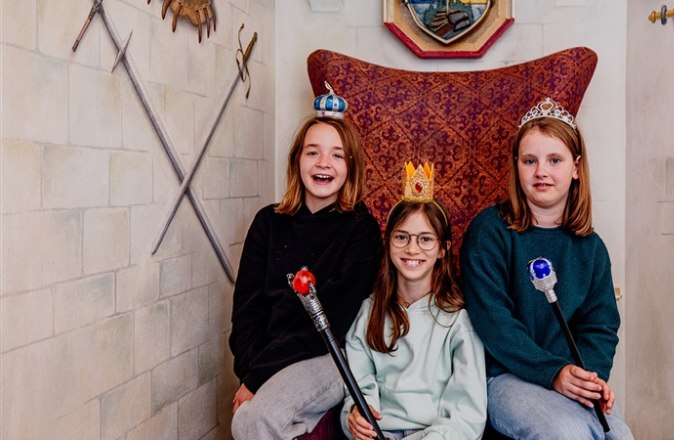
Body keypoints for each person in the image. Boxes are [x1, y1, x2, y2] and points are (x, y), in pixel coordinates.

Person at [460, 98, 634, 439]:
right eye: (530, 160)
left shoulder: (591, 248)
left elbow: (600, 327)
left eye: (555, 160)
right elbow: (494, 322)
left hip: (569, 376)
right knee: (568, 433)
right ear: (517, 167)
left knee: (619, 436)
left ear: (576, 167)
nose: (541, 171)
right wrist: (553, 372)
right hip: (506, 376)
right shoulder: (490, 231)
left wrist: (587, 379)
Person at [230, 84, 382, 439]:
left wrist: (257, 376)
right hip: (268, 355)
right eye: (313, 152)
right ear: (297, 160)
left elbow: (332, 321)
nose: (323, 163)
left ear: (351, 167)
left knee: (253, 421)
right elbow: (246, 312)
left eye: (337, 155)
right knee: (250, 418)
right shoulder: (267, 222)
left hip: (326, 355)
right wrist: (248, 370)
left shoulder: (361, 230)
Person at [341, 162, 487, 440]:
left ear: (443, 249)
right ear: (388, 243)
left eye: (425, 239)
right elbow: (358, 386)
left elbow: (466, 412)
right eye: (402, 237)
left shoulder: (458, 321)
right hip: (382, 433)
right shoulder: (369, 312)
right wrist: (356, 413)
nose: (412, 249)